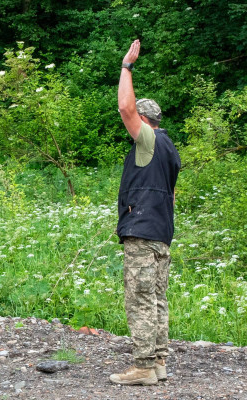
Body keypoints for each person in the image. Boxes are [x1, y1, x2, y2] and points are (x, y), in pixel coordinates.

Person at [109, 39, 181, 386]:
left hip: (143, 230)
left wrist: (127, 66)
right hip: (162, 233)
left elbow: (125, 107)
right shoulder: (170, 150)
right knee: (155, 297)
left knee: (139, 299)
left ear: (145, 119)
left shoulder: (148, 141)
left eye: (137, 119)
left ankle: (142, 367)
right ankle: (159, 362)